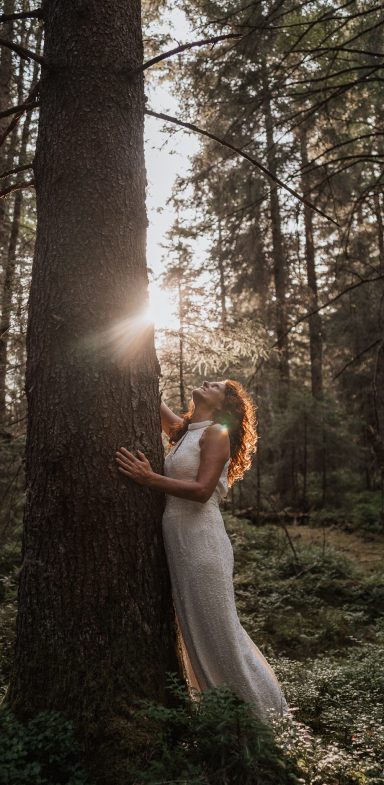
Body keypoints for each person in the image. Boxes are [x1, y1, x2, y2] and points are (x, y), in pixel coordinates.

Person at [115, 379, 289, 724]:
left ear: (224, 406)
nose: (207, 381)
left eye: (217, 386)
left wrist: (148, 478)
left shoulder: (217, 433)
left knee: (218, 631)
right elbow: (150, 398)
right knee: (197, 631)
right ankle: (225, 717)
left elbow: (201, 490)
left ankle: (263, 722)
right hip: (180, 543)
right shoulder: (186, 430)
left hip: (202, 543)